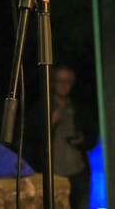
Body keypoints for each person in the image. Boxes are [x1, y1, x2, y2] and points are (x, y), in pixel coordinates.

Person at [24, 66, 98, 209]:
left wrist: (82, 140)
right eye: (60, 81)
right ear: (53, 83)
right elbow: (29, 138)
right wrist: (49, 124)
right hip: (50, 177)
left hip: (77, 174)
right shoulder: (42, 107)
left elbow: (92, 138)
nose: (64, 85)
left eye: (67, 81)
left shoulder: (80, 109)